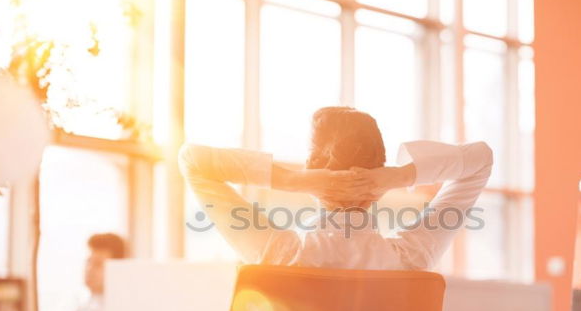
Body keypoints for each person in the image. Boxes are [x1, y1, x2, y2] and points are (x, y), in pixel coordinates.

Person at [179, 106, 492, 271]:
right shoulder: (412, 257)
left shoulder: (279, 254)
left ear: (312, 171)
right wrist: (398, 177)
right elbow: (480, 160)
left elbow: (192, 160)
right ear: (380, 176)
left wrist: (293, 181)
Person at [42, 233, 126, 311]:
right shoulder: (84, 302)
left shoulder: (123, 305)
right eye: (88, 263)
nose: (89, 269)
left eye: (97, 264)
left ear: (117, 268)